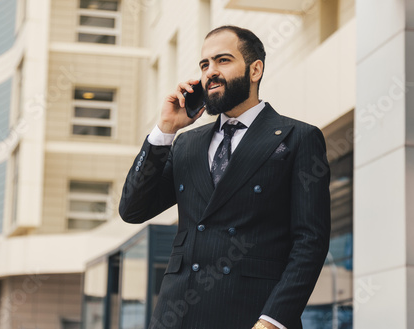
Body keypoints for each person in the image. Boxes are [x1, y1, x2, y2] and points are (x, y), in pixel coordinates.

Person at [119, 25, 330, 329]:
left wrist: (272, 320)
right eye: (204, 64)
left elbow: (310, 241)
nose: (210, 72)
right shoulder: (186, 143)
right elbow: (132, 209)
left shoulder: (298, 138)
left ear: (255, 69)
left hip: (251, 315)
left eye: (223, 61)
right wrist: (164, 129)